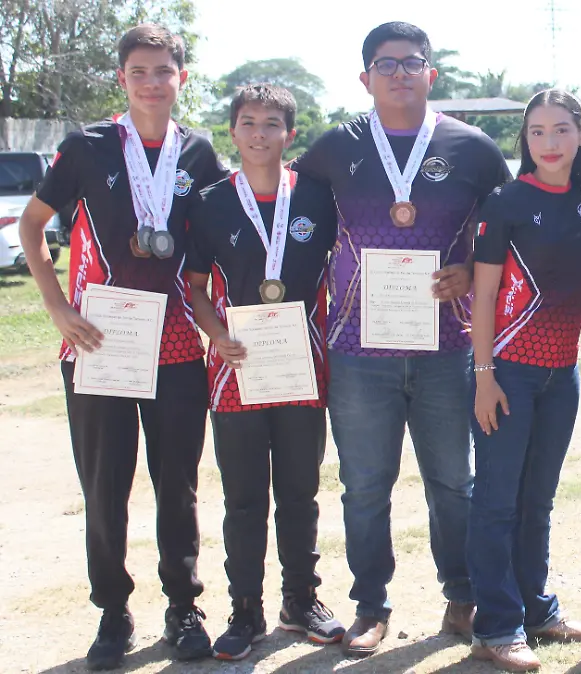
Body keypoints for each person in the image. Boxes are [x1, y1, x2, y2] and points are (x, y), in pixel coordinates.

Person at [289, 21, 511, 658]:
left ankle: (463, 598)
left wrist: (470, 270)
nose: (398, 74)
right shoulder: (334, 148)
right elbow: (302, 237)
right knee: (364, 485)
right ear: (365, 78)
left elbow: (502, 239)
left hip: (448, 345)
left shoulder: (473, 148)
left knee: (453, 482)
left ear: (430, 74)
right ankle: (370, 605)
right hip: (359, 347)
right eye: (385, 65)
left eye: (411, 63)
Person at [16, 23, 226, 670]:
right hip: (101, 339)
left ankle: (183, 607)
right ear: (122, 79)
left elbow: (221, 236)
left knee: (178, 487)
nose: (152, 82)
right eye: (139, 71)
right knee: (105, 486)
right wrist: (56, 305)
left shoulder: (199, 152)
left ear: (180, 78)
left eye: (163, 71)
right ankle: (112, 612)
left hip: (174, 346)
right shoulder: (87, 146)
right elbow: (31, 225)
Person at [184, 83, 344, 661]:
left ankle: (301, 599)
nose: (259, 134)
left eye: (271, 124)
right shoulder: (209, 201)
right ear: (233, 131)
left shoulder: (318, 199)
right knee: (245, 499)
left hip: (303, 369)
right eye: (248, 123)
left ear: (290, 134)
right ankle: (245, 610)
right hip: (237, 372)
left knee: (300, 493)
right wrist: (217, 335)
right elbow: (195, 289)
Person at [466, 89, 581, 672]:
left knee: (538, 501)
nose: (548, 142)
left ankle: (537, 608)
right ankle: (496, 627)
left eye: (560, 130)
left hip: (561, 374)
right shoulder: (507, 200)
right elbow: (483, 293)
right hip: (507, 372)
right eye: (537, 132)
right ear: (526, 140)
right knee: (497, 501)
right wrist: (484, 376)